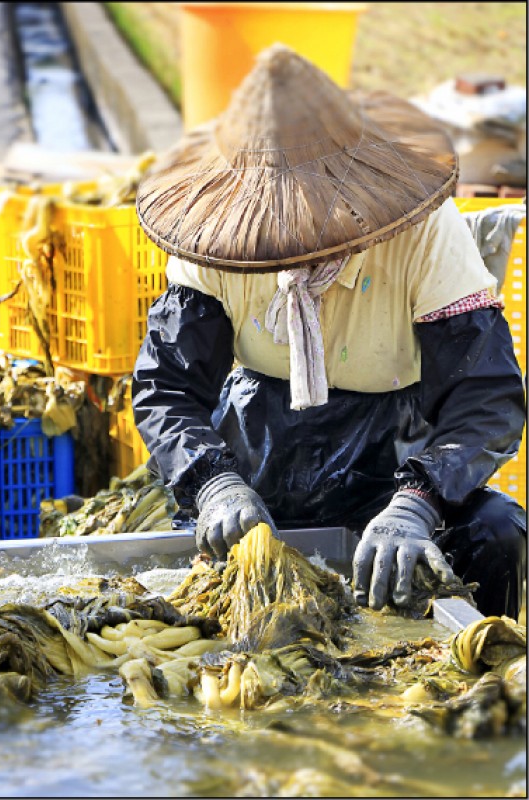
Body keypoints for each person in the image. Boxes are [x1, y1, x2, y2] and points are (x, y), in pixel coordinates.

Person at [132, 44, 526, 619]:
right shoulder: (220, 241)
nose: (296, 241)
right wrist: (215, 482)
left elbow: (485, 396)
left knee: (497, 532)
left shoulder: (422, 231)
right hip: (257, 455)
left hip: (397, 455)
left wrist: (417, 504)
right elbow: (166, 388)